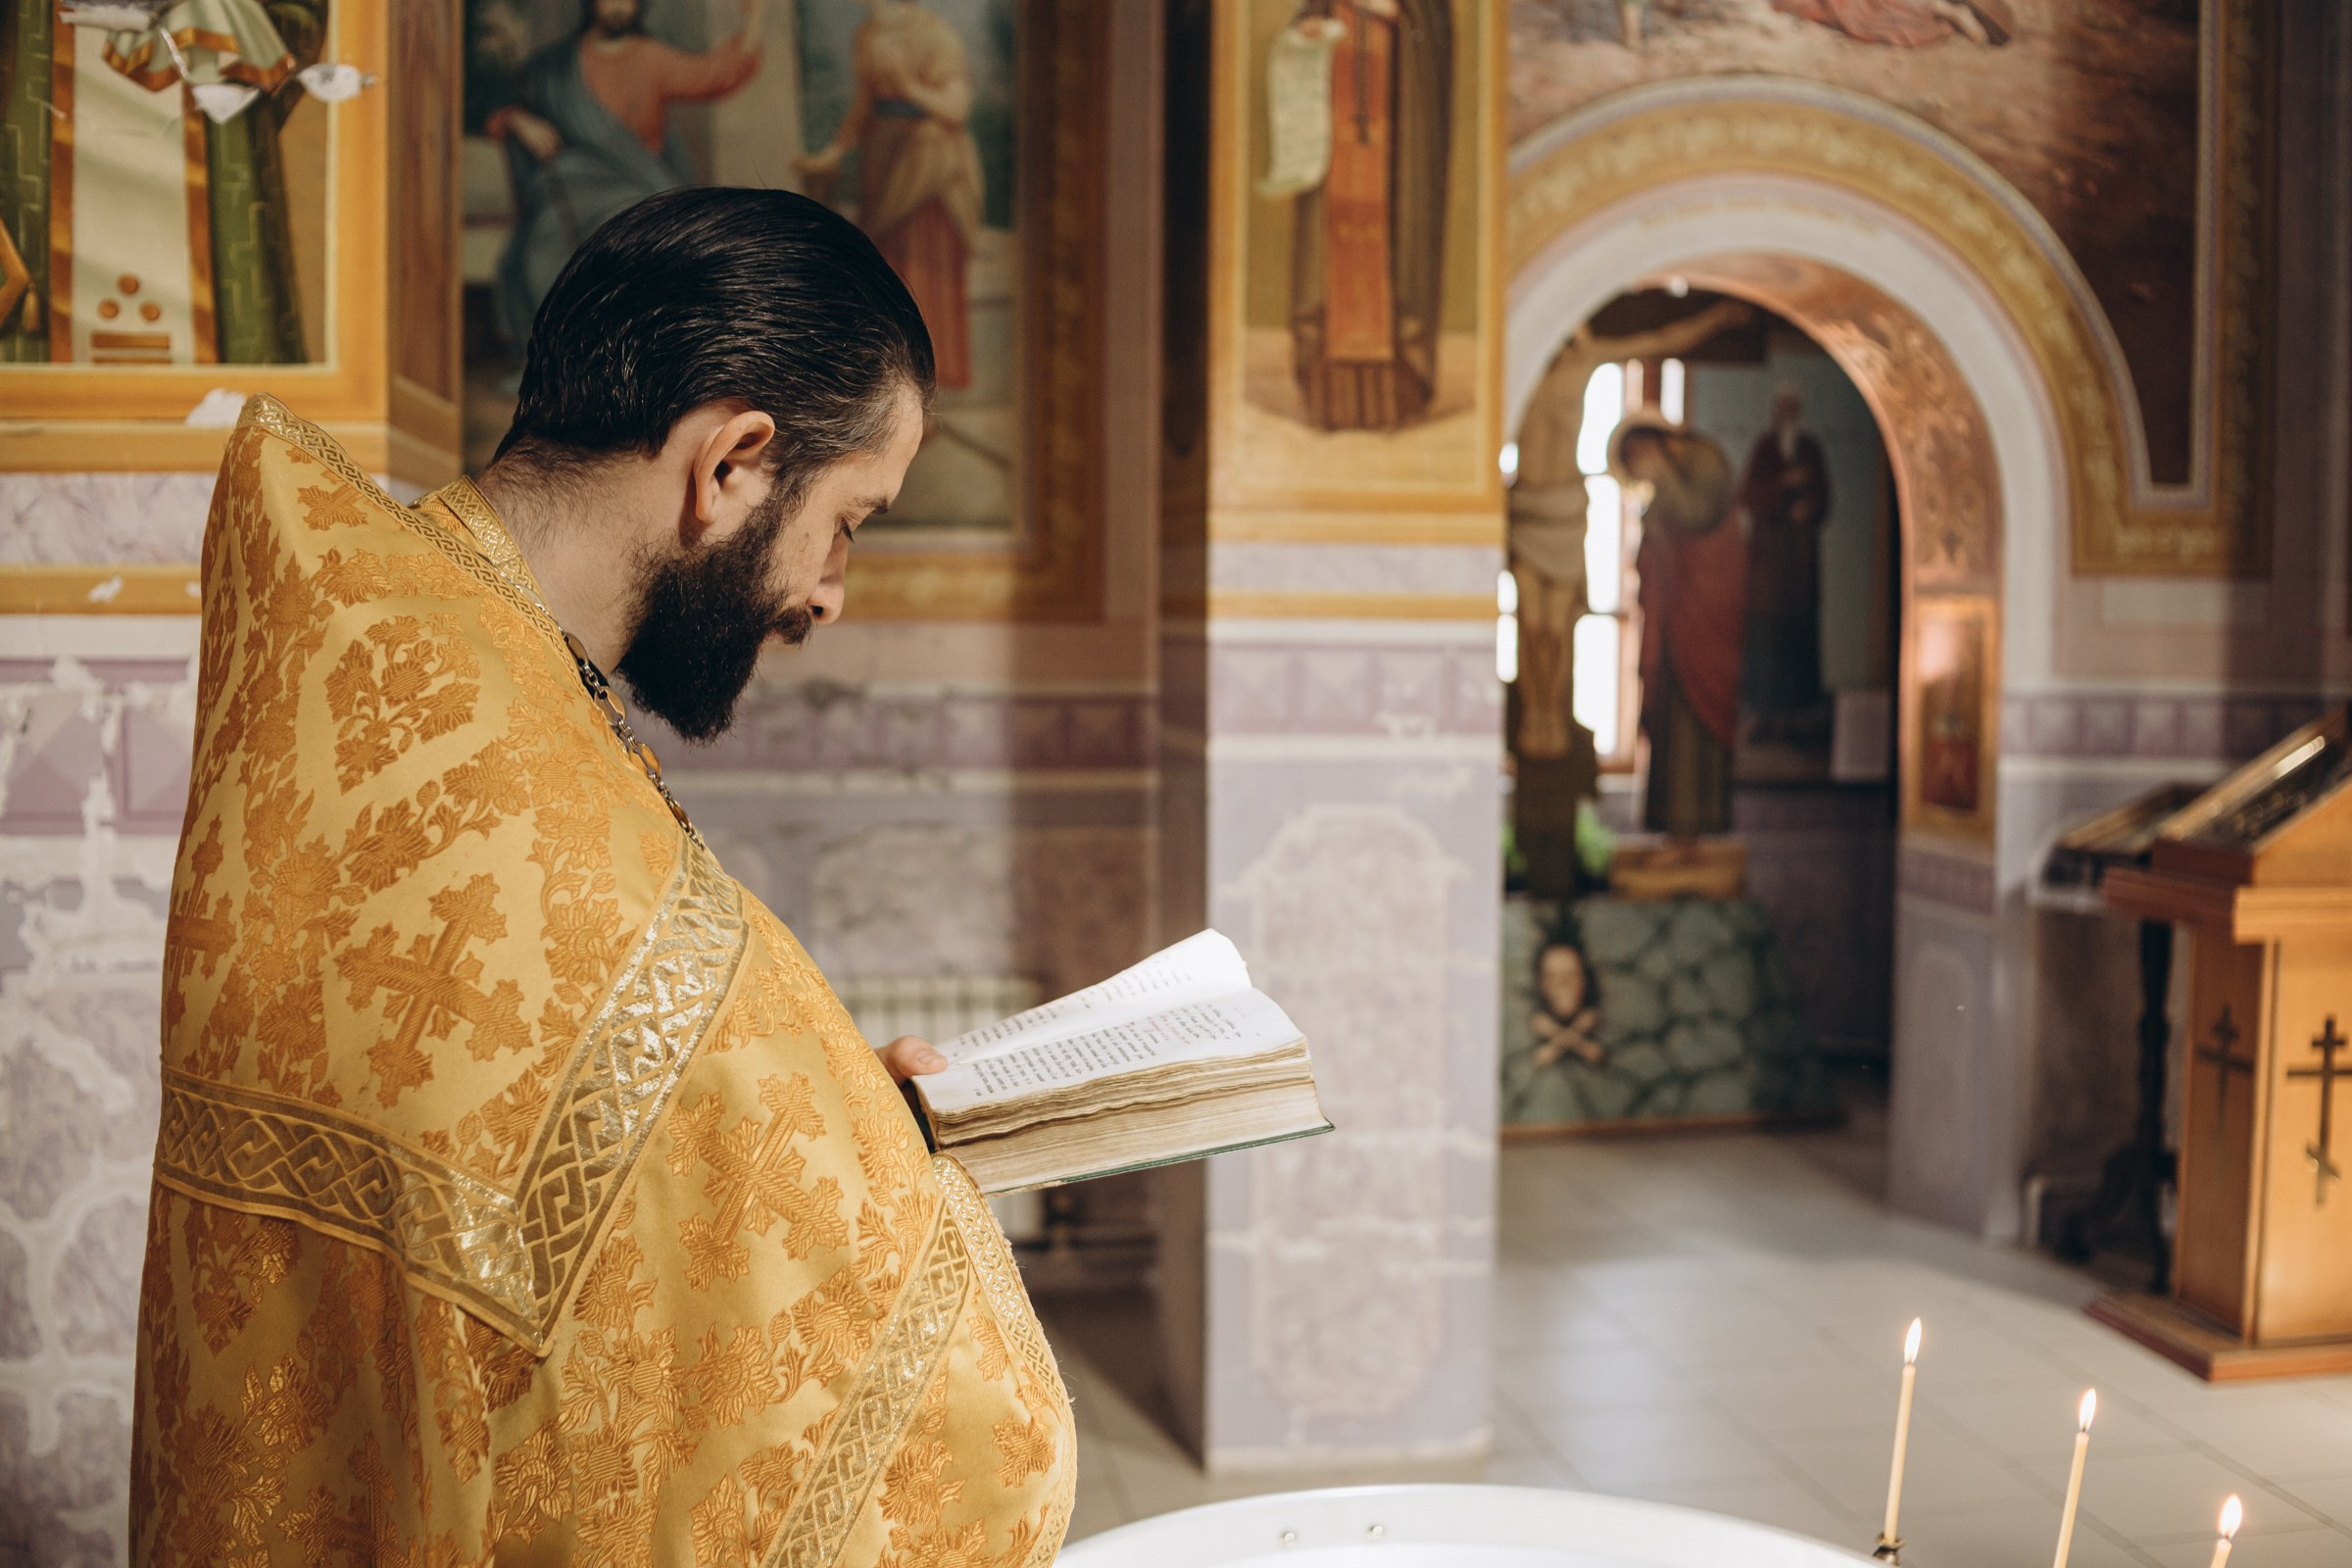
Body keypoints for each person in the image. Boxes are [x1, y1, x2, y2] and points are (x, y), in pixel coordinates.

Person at [131, 188, 1073, 1566]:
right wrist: (887, 1178)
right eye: (852, 520)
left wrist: (827, 1119)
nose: (827, 595)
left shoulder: (400, 638)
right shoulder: (507, 761)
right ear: (734, 463)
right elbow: (968, 1447)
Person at [489, 0, 764, 347]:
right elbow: (497, 105)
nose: (619, 6)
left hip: (637, 186)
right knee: (542, 243)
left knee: (654, 235)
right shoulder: (555, 67)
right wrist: (518, 120)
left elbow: (716, 74)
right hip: (571, 184)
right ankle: (553, 351)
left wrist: (754, 21)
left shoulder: (651, 57)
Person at [1277, 0, 1453, 431]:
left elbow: (1430, 32)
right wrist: (1310, 31)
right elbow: (1305, 24)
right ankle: (1327, 404)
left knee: (1393, 253)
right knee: (1330, 255)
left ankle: (1397, 404)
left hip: (1393, 137)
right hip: (1339, 139)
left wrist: (1390, 12)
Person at [796, 0, 984, 391]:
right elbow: (864, 106)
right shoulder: (866, 35)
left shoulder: (934, 34)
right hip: (881, 160)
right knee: (888, 267)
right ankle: (892, 383)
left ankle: (930, 381)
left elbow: (956, 108)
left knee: (924, 267)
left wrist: (908, 84)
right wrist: (831, 153)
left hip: (928, 170)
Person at [1614, 414, 1746, 838]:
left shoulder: (1705, 460)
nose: (1643, 475)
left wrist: (1662, 487)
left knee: (1701, 729)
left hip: (1708, 613)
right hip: (1675, 621)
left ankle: (1701, 827)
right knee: (1671, 719)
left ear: (1650, 445)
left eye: (1639, 462)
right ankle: (1669, 824)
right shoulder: (1666, 485)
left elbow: (1702, 515)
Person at [1738, 382, 1832, 744]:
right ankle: (1764, 715)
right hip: (1767, 569)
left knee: (1798, 639)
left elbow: (1824, 497)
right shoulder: (1765, 448)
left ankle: (1796, 719)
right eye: (1782, 406)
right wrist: (1782, 485)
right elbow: (1748, 495)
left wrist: (1808, 506)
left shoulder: (1810, 449)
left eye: (1792, 406)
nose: (1787, 412)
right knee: (1765, 640)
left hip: (1799, 564)